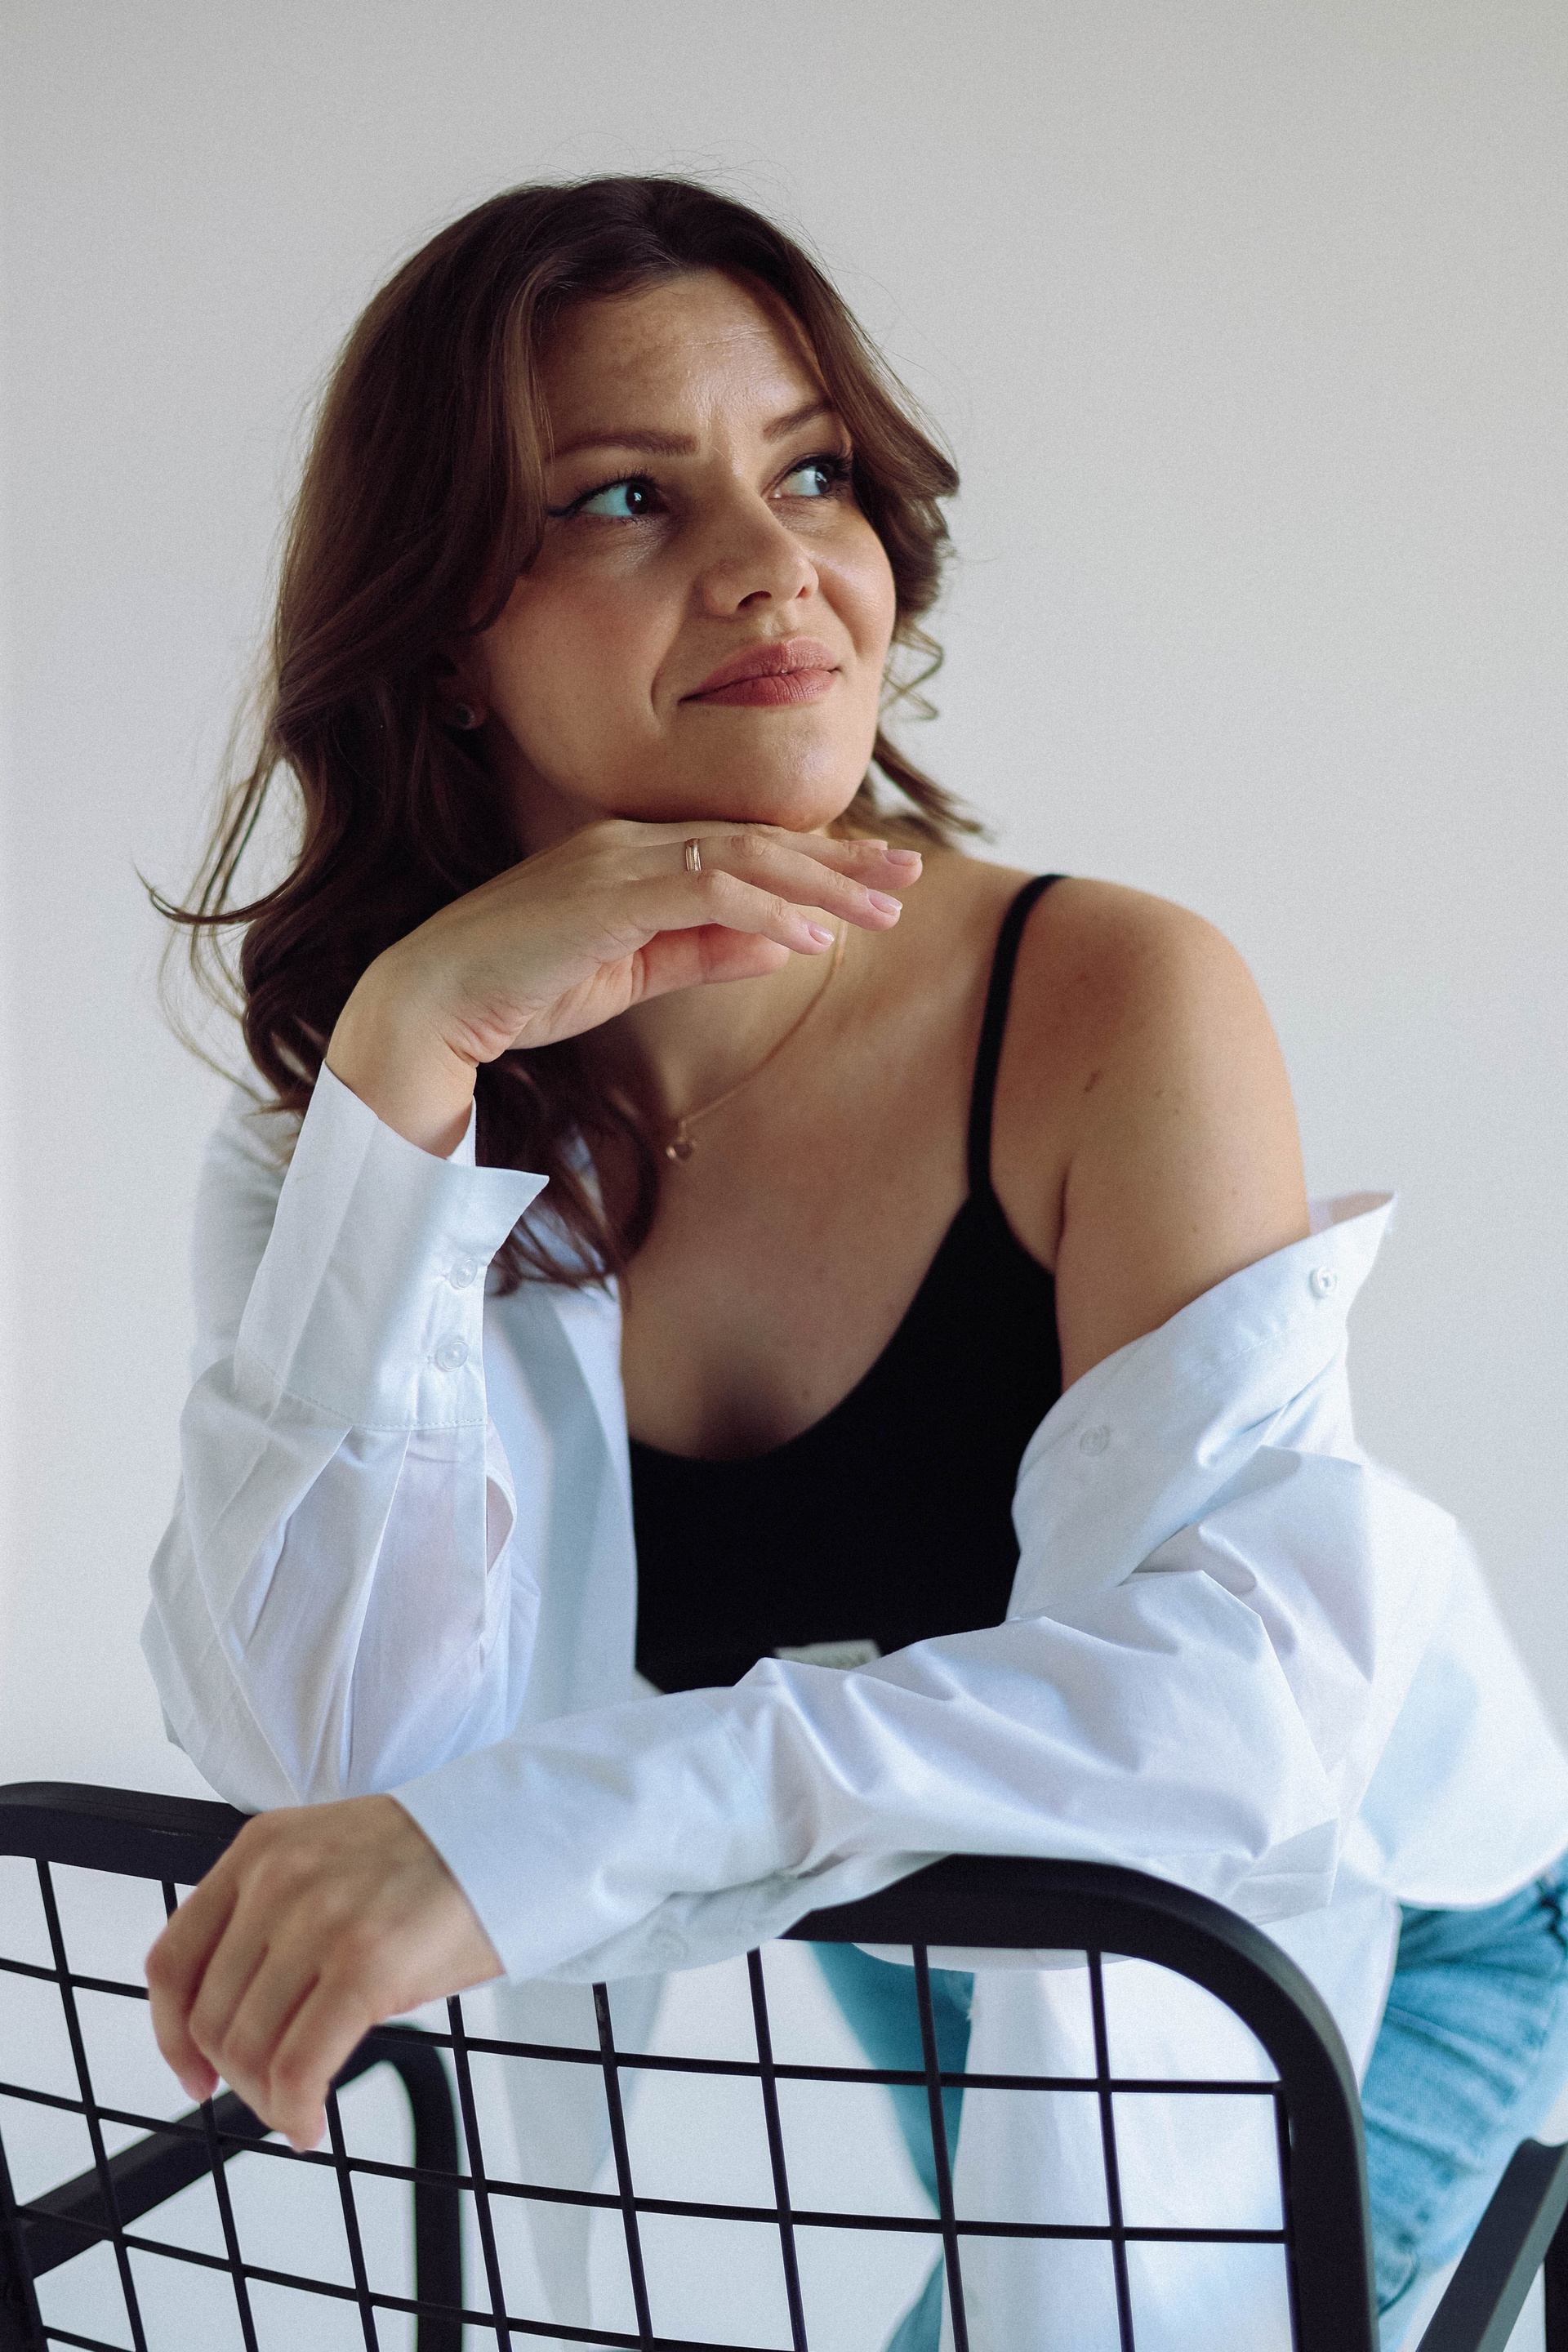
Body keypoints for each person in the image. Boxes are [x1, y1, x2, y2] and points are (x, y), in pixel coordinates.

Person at [140, 176, 1568, 2350]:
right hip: (926, 1905)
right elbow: (332, 1761)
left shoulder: (1108, 1002)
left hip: (1346, 1917)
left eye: (811, 470)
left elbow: (1234, 1713)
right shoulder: (362, 1132)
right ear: (440, 642)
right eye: (626, 495)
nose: (773, 563)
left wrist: (561, 1823)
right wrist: (412, 1058)